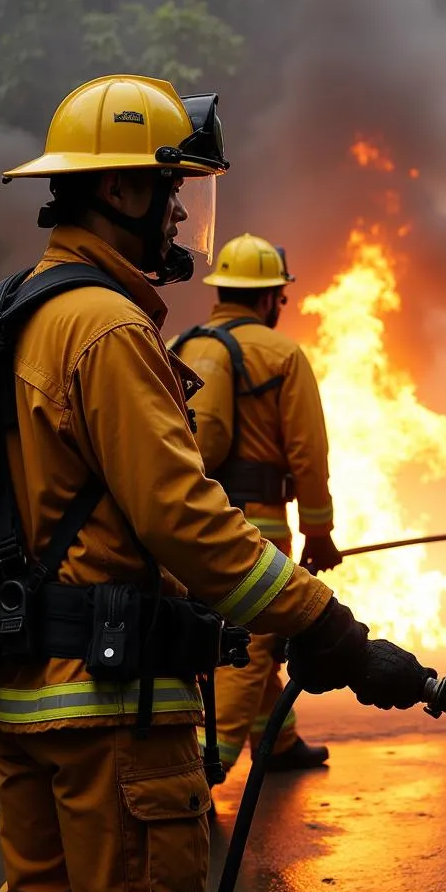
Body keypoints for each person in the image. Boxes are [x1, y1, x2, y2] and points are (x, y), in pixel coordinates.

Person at [0, 74, 435, 892]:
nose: (182, 218)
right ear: (123, 190)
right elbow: (184, 519)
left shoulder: (22, 307)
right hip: (104, 700)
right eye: (173, 192)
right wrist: (322, 623)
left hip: (21, 685)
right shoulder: (106, 326)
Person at [171, 233, 341, 772]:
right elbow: (308, 454)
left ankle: (279, 743)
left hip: (187, 520)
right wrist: (319, 530)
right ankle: (204, 767)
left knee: (245, 632)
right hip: (259, 524)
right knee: (253, 640)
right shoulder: (282, 354)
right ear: (269, 297)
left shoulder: (177, 344)